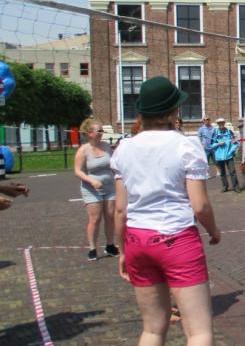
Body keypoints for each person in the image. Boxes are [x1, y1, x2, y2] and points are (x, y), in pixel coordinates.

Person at [111, 76, 221, 346]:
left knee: (152, 329)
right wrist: (213, 230)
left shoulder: (124, 147)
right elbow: (200, 205)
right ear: (172, 112)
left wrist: (122, 248)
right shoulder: (186, 145)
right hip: (176, 238)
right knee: (198, 331)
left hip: (138, 238)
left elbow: (120, 208)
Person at [74, 118, 119, 261]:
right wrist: (91, 181)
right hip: (91, 189)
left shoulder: (106, 146)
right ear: (89, 133)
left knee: (110, 217)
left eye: (102, 130)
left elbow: (114, 164)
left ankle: (110, 245)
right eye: (98, 130)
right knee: (95, 218)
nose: (101, 133)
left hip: (110, 187)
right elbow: (78, 171)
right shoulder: (83, 150)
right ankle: (92, 248)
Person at [211, 118, 239, 193]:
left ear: (224, 123)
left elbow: (235, 143)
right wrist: (218, 144)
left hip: (229, 155)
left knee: (232, 171)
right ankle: (225, 187)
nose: (221, 124)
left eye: (222, 123)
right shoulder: (215, 133)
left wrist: (231, 151)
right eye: (219, 123)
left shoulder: (229, 132)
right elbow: (211, 145)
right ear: (217, 124)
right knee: (222, 173)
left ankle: (235, 187)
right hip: (219, 156)